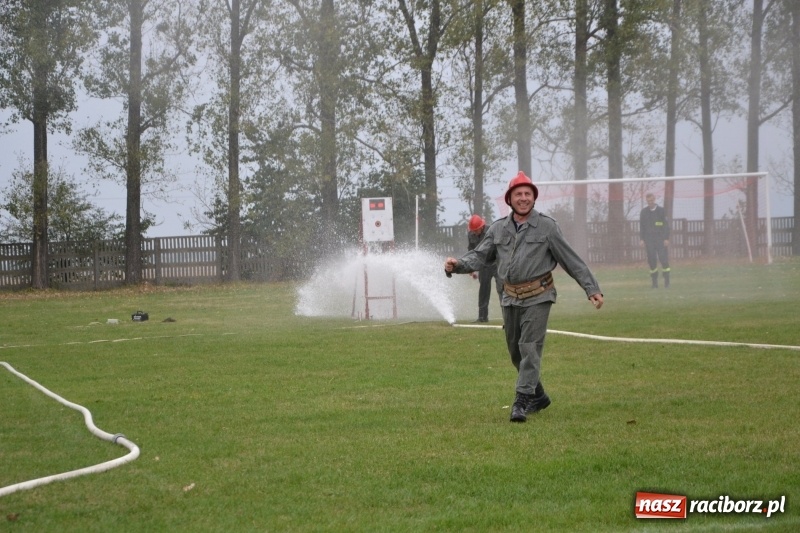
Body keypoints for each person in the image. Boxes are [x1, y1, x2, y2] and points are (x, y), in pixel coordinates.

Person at [445, 171, 604, 423]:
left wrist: (591, 288)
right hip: (510, 298)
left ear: (533, 198)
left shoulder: (548, 227)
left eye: (527, 194)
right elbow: (479, 255)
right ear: (510, 199)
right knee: (515, 353)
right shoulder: (498, 228)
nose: (523, 198)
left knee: (530, 348)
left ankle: (521, 401)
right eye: (518, 194)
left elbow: (570, 259)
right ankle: (538, 395)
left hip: (539, 296)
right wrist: (458, 264)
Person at [466, 214, 502, 322]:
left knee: (502, 289)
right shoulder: (470, 235)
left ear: (482, 227)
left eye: (475, 230)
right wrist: (470, 269)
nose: (474, 232)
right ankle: (482, 317)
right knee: (483, 291)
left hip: (497, 263)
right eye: (472, 230)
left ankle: (509, 317)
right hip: (483, 265)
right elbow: (471, 251)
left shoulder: (492, 231)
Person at [639, 193, 671, 288]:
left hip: (660, 240)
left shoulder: (661, 211)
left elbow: (666, 226)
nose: (650, 202)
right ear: (647, 201)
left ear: (654, 199)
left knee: (663, 260)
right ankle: (654, 283)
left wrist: (666, 238)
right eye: (648, 201)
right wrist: (642, 239)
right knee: (652, 261)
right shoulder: (644, 212)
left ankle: (667, 282)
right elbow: (642, 227)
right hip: (649, 241)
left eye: (652, 200)